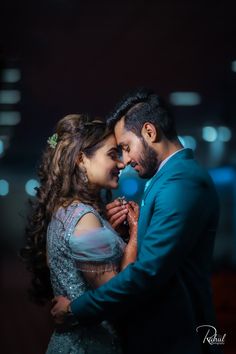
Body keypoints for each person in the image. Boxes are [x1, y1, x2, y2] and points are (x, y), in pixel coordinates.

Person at [51, 89, 222, 354]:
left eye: (126, 147)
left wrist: (76, 309)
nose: (126, 160)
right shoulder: (166, 179)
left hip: (179, 337)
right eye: (118, 151)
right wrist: (126, 232)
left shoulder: (181, 182)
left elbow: (147, 273)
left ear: (150, 132)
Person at [21, 113, 139, 354]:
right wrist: (135, 237)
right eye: (112, 154)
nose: (121, 164)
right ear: (81, 159)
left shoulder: (68, 210)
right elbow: (118, 296)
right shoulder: (85, 219)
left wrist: (115, 236)